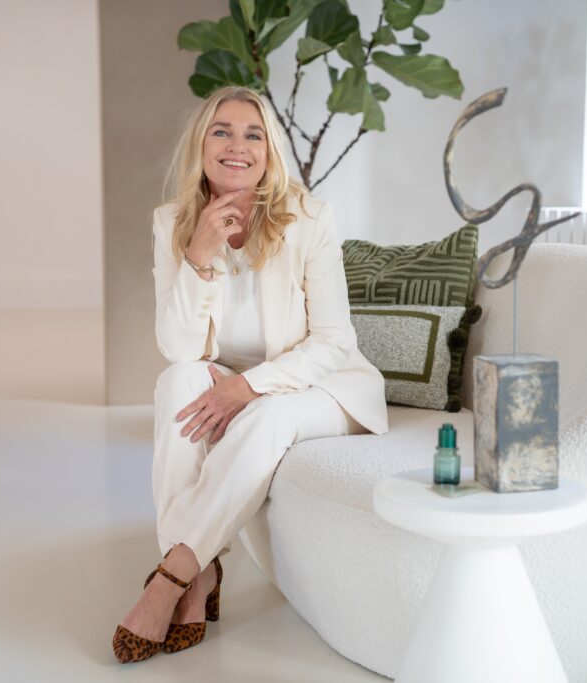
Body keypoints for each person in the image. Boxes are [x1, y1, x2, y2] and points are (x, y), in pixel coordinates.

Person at [112, 86, 388, 664]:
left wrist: (247, 387)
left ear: (269, 152)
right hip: (225, 373)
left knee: (265, 415)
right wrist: (200, 252)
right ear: (201, 145)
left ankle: (173, 577)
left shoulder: (308, 218)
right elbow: (179, 348)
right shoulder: (172, 223)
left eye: (252, 134)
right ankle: (204, 574)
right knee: (176, 383)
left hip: (321, 385)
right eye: (222, 131)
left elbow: (334, 340)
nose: (236, 146)